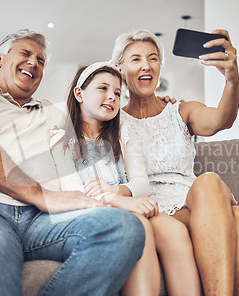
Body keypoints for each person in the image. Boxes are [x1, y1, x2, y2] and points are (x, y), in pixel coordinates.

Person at [0, 29, 145, 296]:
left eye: (41, 61)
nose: (34, 63)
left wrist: (153, 103)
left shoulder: (52, 112)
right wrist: (41, 195)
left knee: (122, 228)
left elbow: (96, 107)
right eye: (26, 54)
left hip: (38, 220)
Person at [110, 29, 239, 296]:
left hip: (195, 201)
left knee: (236, 212)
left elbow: (221, 120)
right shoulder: (113, 122)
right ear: (120, 70)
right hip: (154, 207)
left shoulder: (181, 110)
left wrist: (232, 81)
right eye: (136, 59)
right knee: (238, 217)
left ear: (160, 67)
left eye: (153, 58)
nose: (146, 65)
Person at [56, 61, 202, 296]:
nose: (112, 97)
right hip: (85, 213)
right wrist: (117, 201)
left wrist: (119, 193)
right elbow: (68, 189)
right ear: (79, 93)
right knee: (140, 225)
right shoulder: (60, 138)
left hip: (127, 206)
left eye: (117, 92)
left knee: (174, 231)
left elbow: (141, 183)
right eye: (102, 88)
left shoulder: (123, 133)